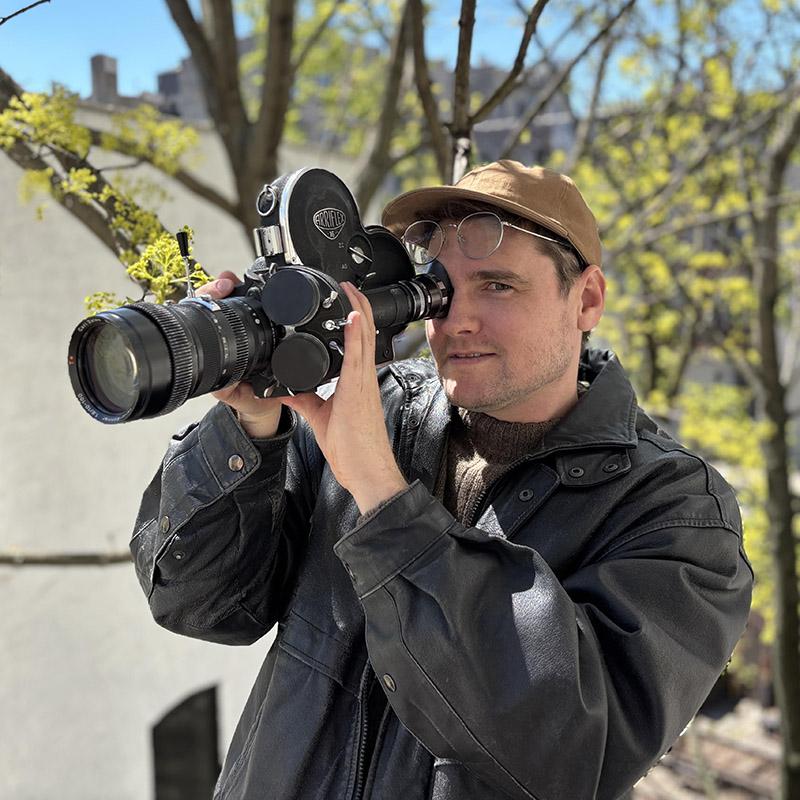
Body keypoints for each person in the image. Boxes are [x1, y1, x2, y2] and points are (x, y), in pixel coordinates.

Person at [131, 160, 753, 800]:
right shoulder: (378, 411)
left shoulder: (675, 510)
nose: (457, 320)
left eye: (499, 286)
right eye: (442, 291)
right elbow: (200, 604)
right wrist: (249, 429)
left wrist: (385, 498)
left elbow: (571, 753)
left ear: (587, 299)